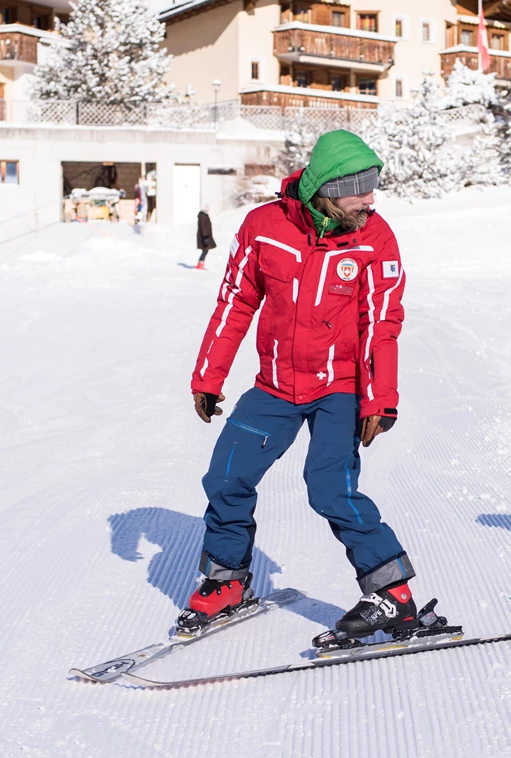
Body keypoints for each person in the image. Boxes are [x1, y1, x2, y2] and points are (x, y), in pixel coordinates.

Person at [183, 130, 417, 641]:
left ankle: (392, 593)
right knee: (227, 476)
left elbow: (382, 324)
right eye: (358, 185)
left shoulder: (375, 239)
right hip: (274, 385)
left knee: (330, 487)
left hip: (340, 386)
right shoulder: (263, 228)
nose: (370, 197)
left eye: (374, 183)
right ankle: (227, 581)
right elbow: (235, 302)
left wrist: (379, 398)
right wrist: (209, 375)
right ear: (324, 186)